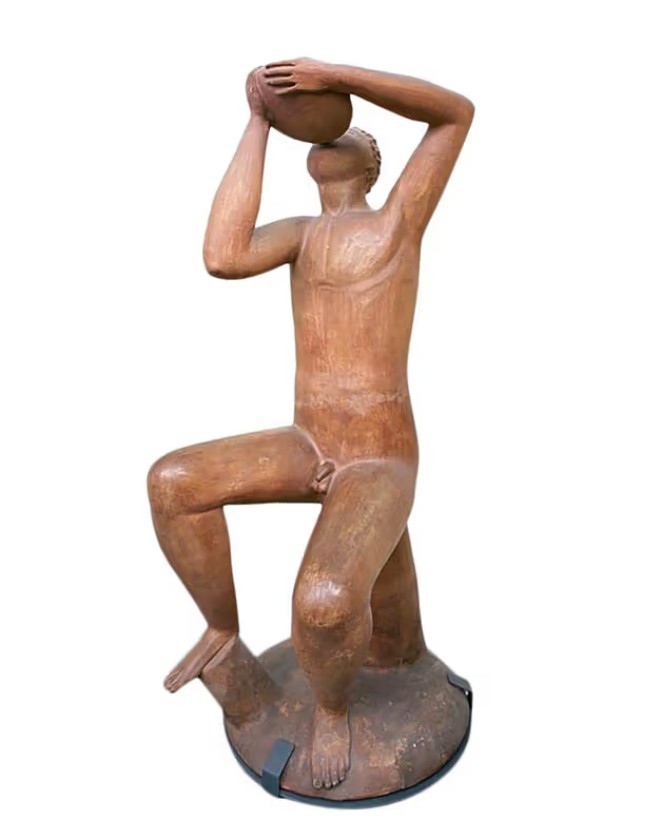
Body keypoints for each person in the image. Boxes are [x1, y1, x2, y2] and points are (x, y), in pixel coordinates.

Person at [147, 57, 474, 791]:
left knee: (324, 601)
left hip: (377, 457)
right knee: (172, 482)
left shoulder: (396, 222)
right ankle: (221, 628)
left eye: (350, 132)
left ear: (371, 163)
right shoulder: (299, 235)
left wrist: (335, 75)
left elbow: (454, 113)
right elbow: (222, 255)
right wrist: (258, 122)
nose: (333, 136)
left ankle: (330, 711)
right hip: (309, 443)